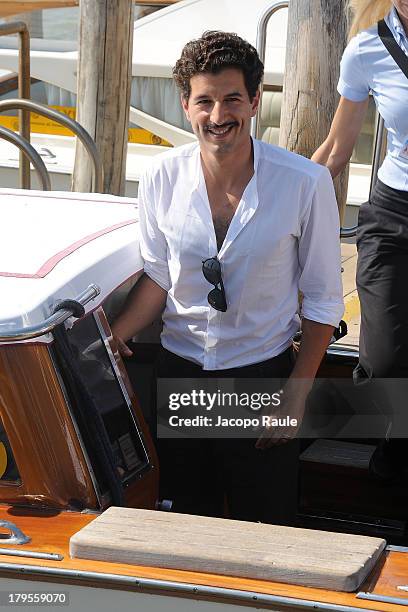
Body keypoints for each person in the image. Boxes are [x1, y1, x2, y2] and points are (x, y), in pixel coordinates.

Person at [112, 31, 344, 523]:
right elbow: (158, 274)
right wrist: (115, 336)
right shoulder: (158, 178)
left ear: (256, 101)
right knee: (184, 523)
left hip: (261, 379)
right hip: (181, 377)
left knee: (266, 528)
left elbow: (323, 301)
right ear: (185, 105)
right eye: (205, 102)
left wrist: (295, 397)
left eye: (232, 99)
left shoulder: (306, 183)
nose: (219, 117)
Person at [312, 1, 408, 475]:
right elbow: (336, 147)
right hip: (393, 216)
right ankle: (391, 450)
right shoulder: (367, 48)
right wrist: (280, 210)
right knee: (384, 357)